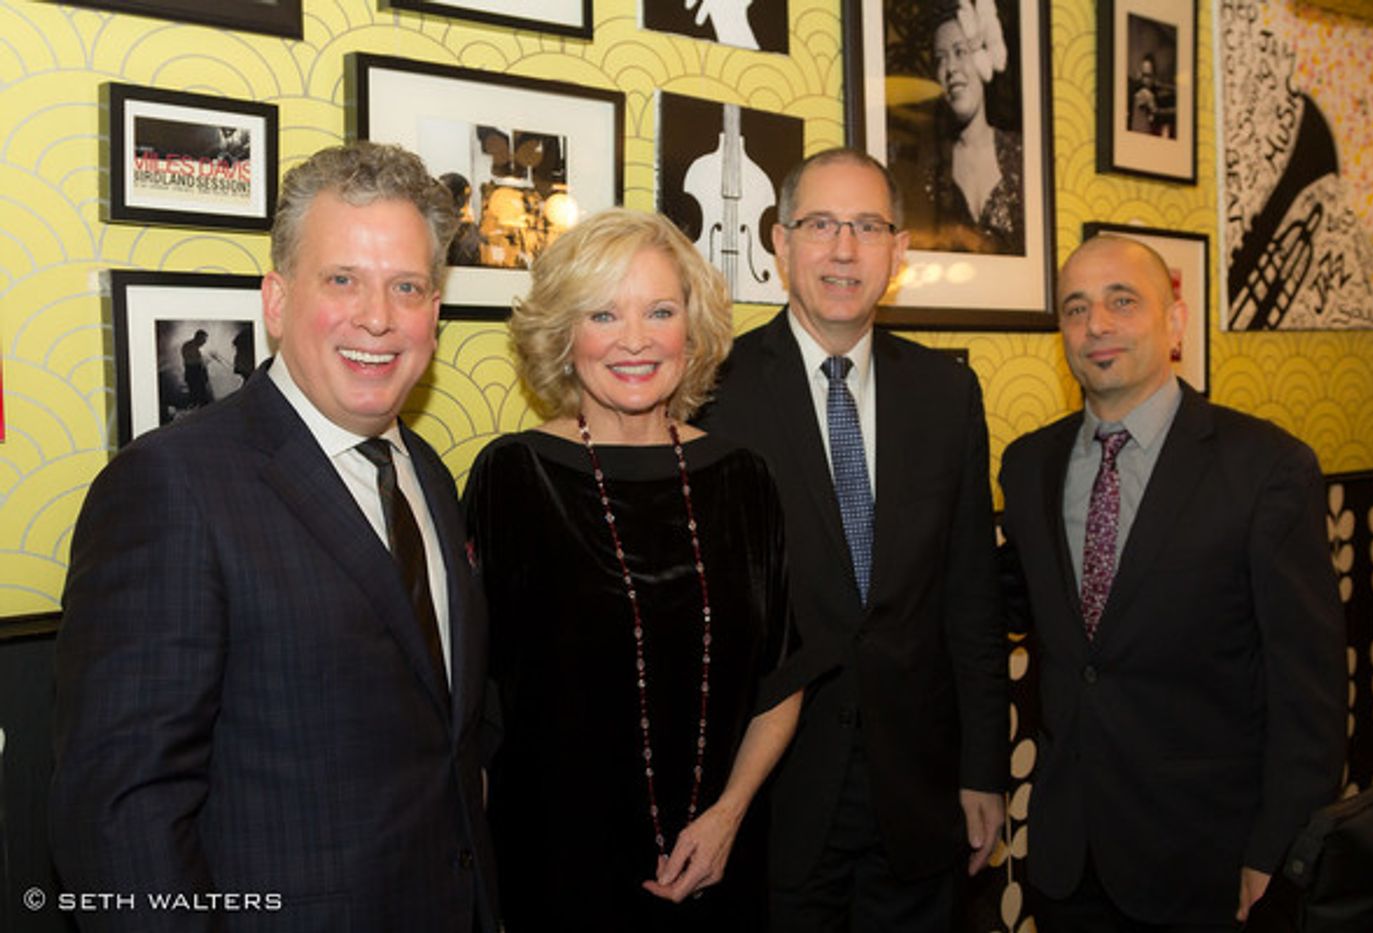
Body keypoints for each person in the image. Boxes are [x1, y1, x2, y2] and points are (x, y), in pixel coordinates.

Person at [51, 142, 499, 931]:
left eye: (407, 286)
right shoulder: (171, 485)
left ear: (436, 310)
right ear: (277, 300)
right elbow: (120, 817)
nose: (377, 316)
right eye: (342, 280)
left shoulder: (428, 473)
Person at [460, 208, 810, 931]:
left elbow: (780, 680)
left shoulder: (743, 478)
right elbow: (475, 704)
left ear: (694, 327)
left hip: (720, 859)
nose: (636, 340)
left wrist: (727, 816)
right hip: (556, 870)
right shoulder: (512, 478)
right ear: (564, 337)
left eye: (659, 310)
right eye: (604, 313)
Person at [998, 234, 1346, 930]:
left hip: (1207, 863)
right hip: (1069, 861)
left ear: (1175, 322)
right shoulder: (1028, 465)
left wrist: (1278, 848)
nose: (1095, 324)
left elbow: (1308, 691)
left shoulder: (1267, 469)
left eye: (1121, 301)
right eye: (1075, 308)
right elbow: (1014, 606)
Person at [699, 148, 1007, 932]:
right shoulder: (711, 391)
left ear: (899, 251)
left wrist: (984, 769)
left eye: (868, 227)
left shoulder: (947, 392)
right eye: (821, 225)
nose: (844, 249)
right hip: (778, 796)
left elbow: (970, 595)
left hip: (921, 794)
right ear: (779, 240)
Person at [920, 0, 1024, 255]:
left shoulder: (1022, 154)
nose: (951, 68)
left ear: (983, 60)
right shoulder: (930, 169)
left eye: (960, 52)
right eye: (940, 59)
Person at [180, 328, 214, 408]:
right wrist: (209, 360)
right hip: (194, 375)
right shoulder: (189, 346)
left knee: (200, 396)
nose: (204, 342)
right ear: (198, 338)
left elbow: (199, 361)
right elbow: (193, 362)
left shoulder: (193, 346)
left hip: (196, 374)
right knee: (198, 397)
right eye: (203, 340)